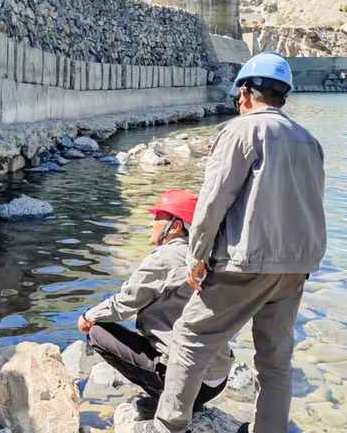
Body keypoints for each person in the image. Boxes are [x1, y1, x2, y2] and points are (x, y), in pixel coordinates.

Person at [135, 53, 326, 433]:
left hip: (244, 263)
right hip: (295, 267)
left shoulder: (240, 131)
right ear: (283, 95)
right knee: (275, 360)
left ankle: (169, 426)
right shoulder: (310, 140)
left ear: (244, 93)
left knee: (190, 338)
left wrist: (197, 256)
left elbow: (213, 200)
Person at [78, 190, 234, 420]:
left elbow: (125, 303)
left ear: (175, 226)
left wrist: (89, 316)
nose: (151, 223)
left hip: (189, 380)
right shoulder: (204, 256)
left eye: (158, 217)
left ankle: (167, 402)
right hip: (217, 377)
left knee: (98, 332)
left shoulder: (165, 257)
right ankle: (189, 403)